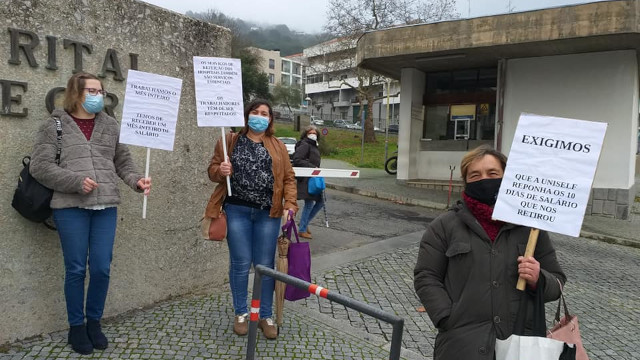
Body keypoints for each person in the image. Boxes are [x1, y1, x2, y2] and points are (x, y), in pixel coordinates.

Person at [30, 73, 151, 355]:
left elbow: (123, 161)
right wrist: (75, 182)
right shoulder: (55, 125)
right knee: (75, 269)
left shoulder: (110, 125)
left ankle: (94, 322)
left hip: (105, 206)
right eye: (92, 90)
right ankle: (76, 326)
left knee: (101, 268)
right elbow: (40, 166)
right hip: (70, 207)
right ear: (77, 92)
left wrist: (136, 181)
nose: (98, 95)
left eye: (101, 90)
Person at [413, 145, 566, 360]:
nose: (484, 179)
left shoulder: (530, 228)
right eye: (475, 175)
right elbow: (426, 276)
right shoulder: (444, 226)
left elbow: (557, 283)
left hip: (520, 345)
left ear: (507, 176)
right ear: (466, 182)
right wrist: (447, 318)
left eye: (493, 173)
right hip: (462, 345)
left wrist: (538, 280)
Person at [206, 99, 297, 339]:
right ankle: (241, 313)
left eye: (264, 113)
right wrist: (220, 171)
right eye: (255, 112)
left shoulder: (277, 146)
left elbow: (288, 178)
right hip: (237, 210)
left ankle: (264, 315)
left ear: (270, 119)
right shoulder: (229, 141)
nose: (259, 116)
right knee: (240, 263)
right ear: (247, 116)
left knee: (264, 265)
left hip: (268, 213)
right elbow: (212, 170)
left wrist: (290, 204)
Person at [292, 125, 323, 239]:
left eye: (315, 133)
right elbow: (297, 159)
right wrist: (312, 167)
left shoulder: (314, 146)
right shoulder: (304, 144)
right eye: (311, 132)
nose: (313, 134)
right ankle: (302, 229)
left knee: (321, 201)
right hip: (306, 179)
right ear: (305, 134)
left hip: (313, 178)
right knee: (309, 203)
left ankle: (304, 223)